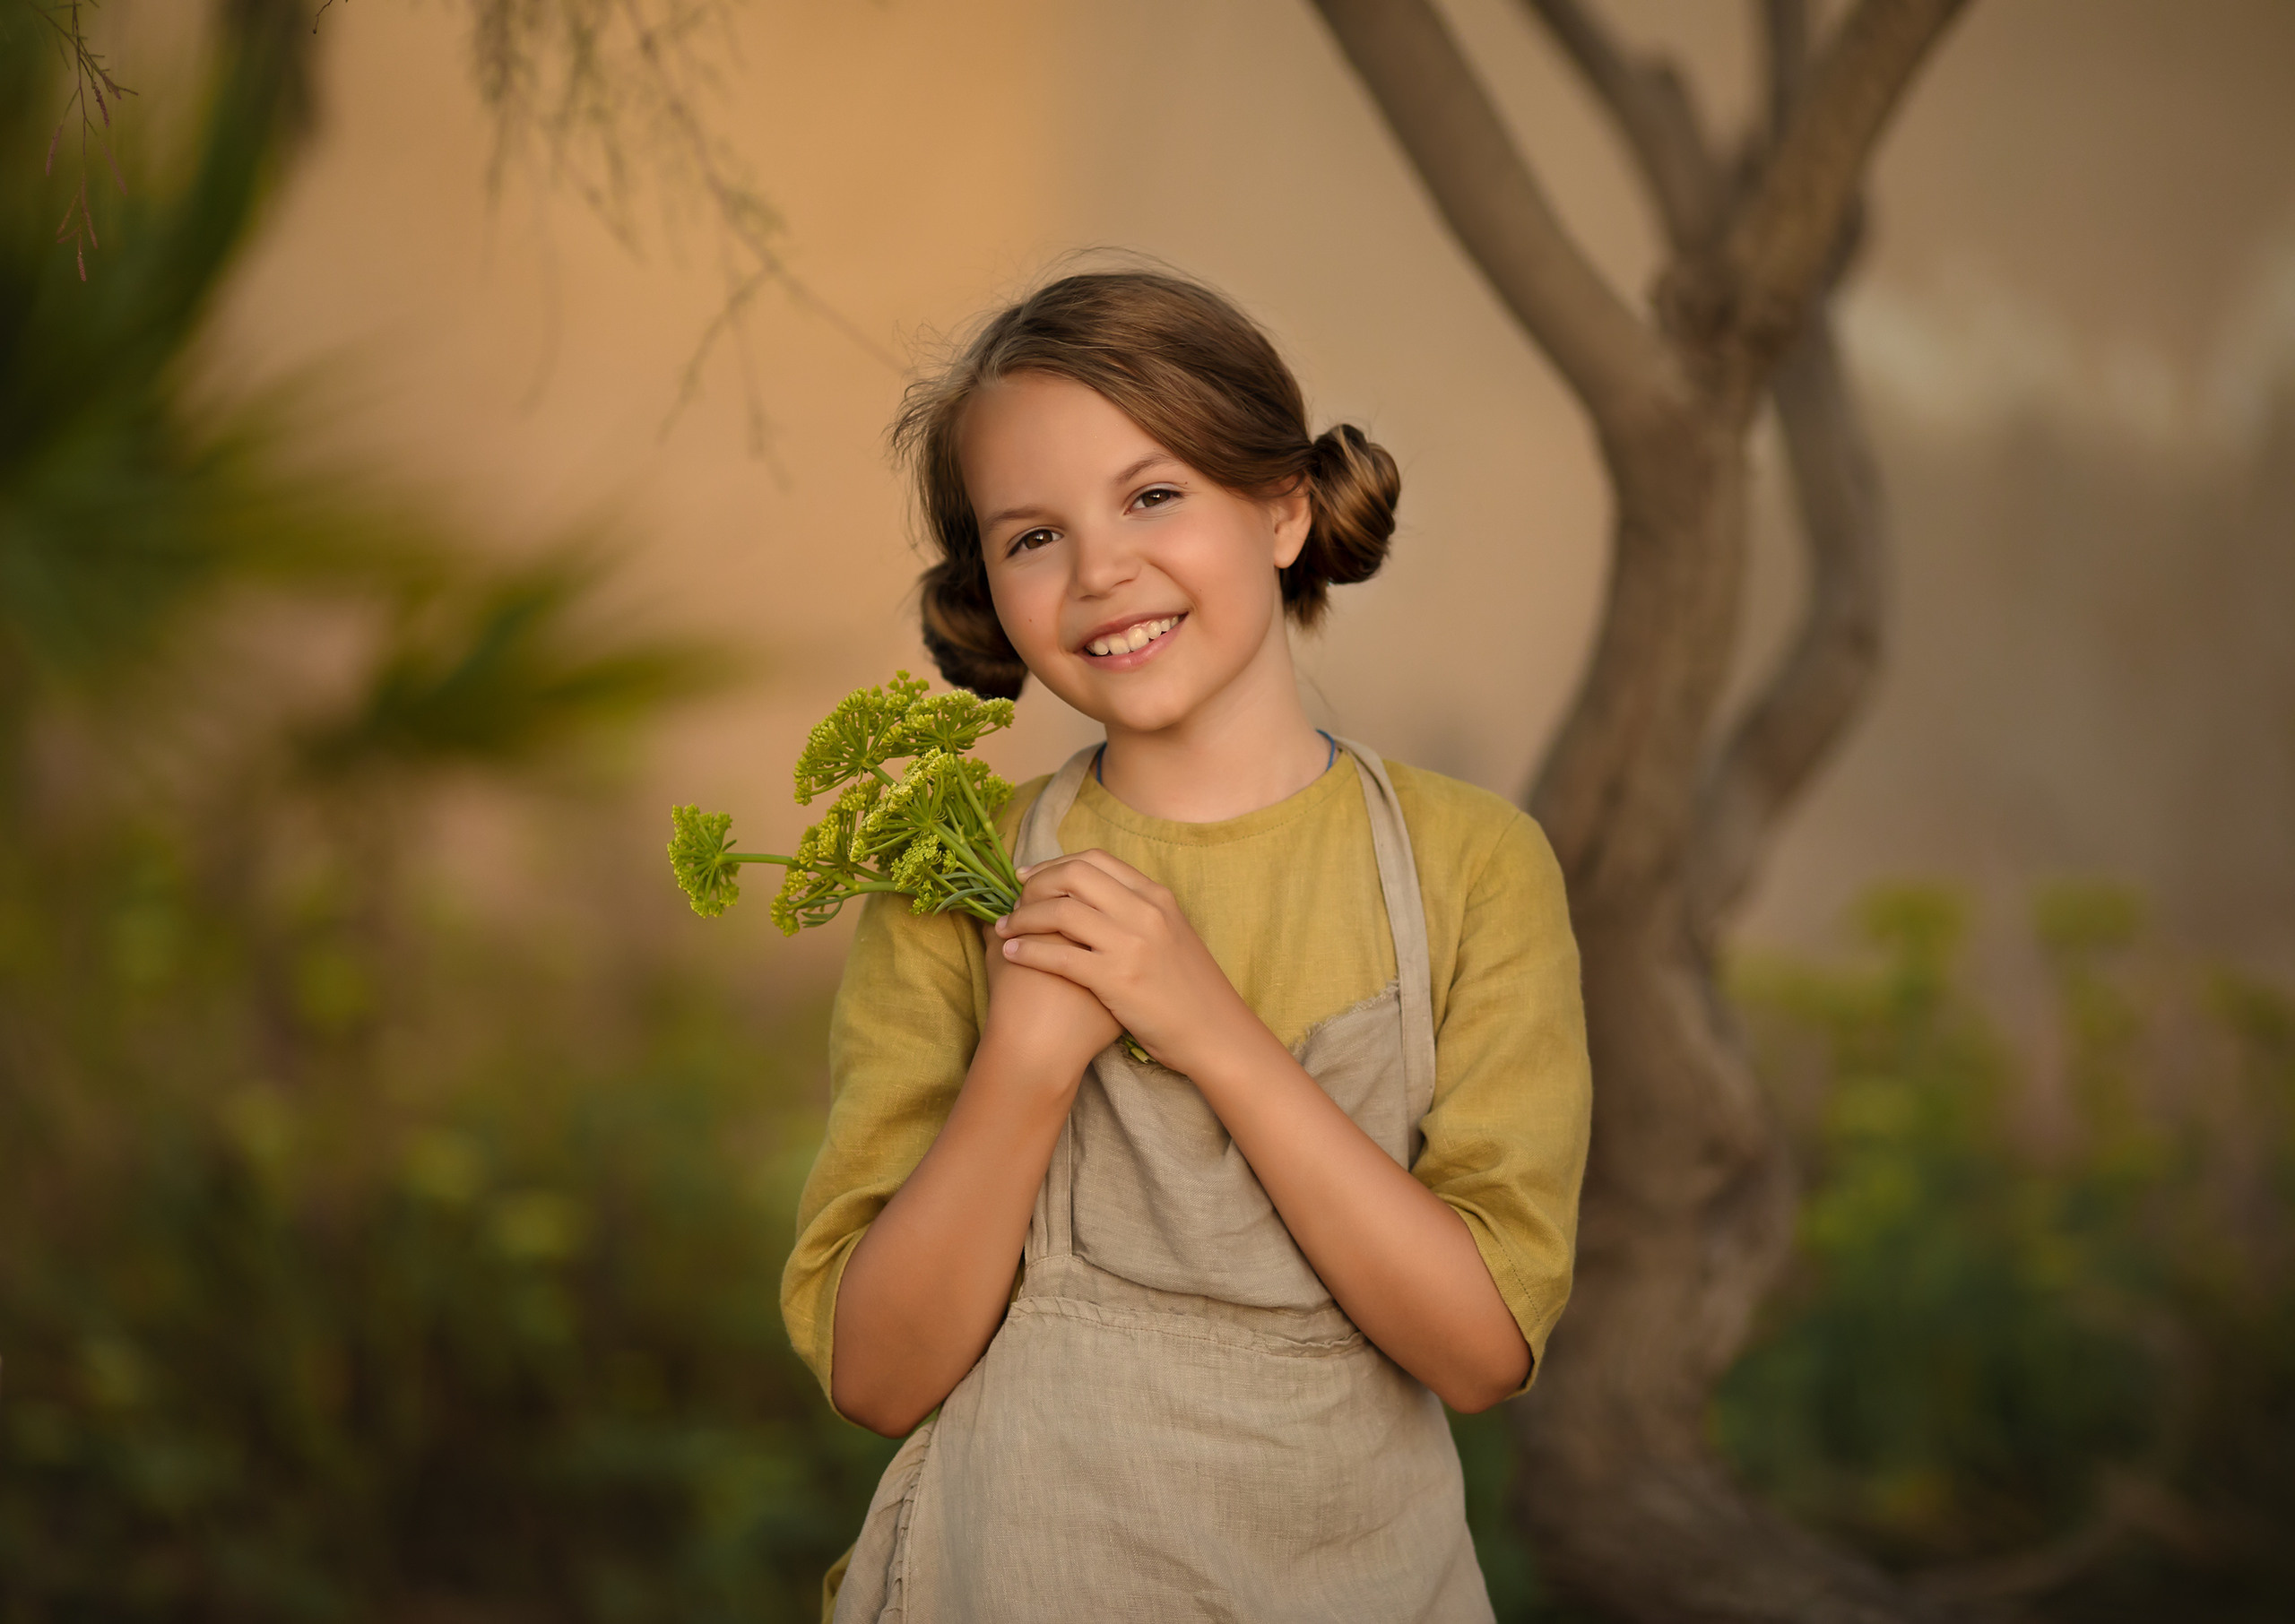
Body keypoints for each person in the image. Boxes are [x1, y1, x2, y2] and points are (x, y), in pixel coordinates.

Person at [780, 269, 1590, 1622]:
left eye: (1153, 496)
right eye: (1034, 536)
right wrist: (1027, 1064)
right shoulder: (949, 877)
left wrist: (1207, 1026)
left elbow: (1481, 1350)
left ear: (1283, 508)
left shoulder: (1473, 864)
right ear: (990, 587)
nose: (1100, 571)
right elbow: (878, 1378)